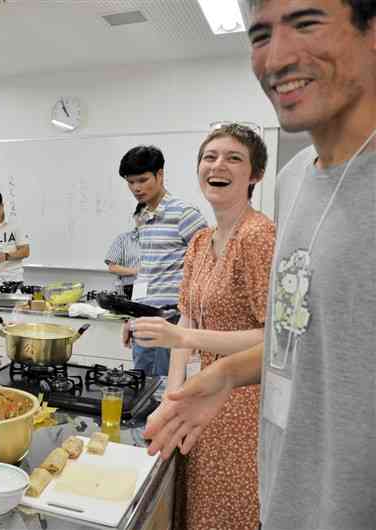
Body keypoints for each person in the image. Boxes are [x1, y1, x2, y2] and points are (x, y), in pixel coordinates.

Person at [144, 2, 376, 529]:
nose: (278, 55)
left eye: (307, 22)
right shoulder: (296, 182)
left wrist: (197, 354)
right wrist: (214, 377)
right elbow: (300, 339)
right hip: (287, 480)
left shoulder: (258, 234)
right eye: (261, 34)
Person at [132, 124, 274, 529]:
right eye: (209, 157)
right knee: (190, 505)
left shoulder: (259, 236)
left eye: (234, 158)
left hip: (243, 399)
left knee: (226, 508)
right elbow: (187, 316)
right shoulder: (200, 241)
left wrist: (185, 336)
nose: (218, 165)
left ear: (255, 174)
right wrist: (172, 396)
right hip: (199, 392)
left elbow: (276, 338)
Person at [118, 145, 207, 376]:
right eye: (130, 182)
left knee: (165, 393)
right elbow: (146, 272)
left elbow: (208, 266)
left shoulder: (184, 214)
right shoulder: (143, 216)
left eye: (142, 180)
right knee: (141, 388)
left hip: (172, 319)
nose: (136, 188)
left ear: (160, 174)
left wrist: (194, 324)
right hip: (145, 318)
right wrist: (133, 319)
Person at [104, 202, 145, 298]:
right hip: (130, 288)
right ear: (136, 217)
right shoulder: (123, 239)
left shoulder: (161, 241)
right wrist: (137, 271)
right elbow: (112, 267)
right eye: (144, 215)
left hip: (156, 289)